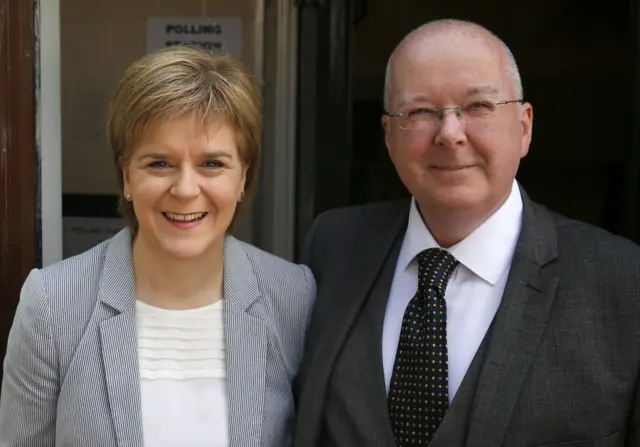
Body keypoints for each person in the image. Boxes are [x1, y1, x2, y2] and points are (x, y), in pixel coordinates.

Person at [294, 19, 640, 447]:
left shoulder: (623, 283)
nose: (450, 133)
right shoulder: (333, 247)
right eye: (420, 111)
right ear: (388, 135)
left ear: (525, 126)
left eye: (478, 107)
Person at [0, 45, 315, 447]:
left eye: (213, 163)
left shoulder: (294, 297)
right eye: (159, 163)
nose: (185, 189)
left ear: (242, 178)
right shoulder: (52, 304)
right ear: (126, 176)